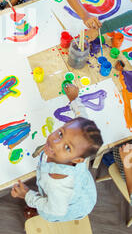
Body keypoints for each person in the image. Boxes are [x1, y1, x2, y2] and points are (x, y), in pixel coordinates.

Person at [11, 84, 103, 222]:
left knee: (48, 206)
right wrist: (74, 100)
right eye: (60, 133)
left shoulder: (58, 183)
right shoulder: (79, 148)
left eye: (67, 147)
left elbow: (56, 210)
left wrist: (28, 196)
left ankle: (36, 211)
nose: (55, 142)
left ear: (78, 160)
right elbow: (83, 119)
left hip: (67, 207)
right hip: (82, 189)